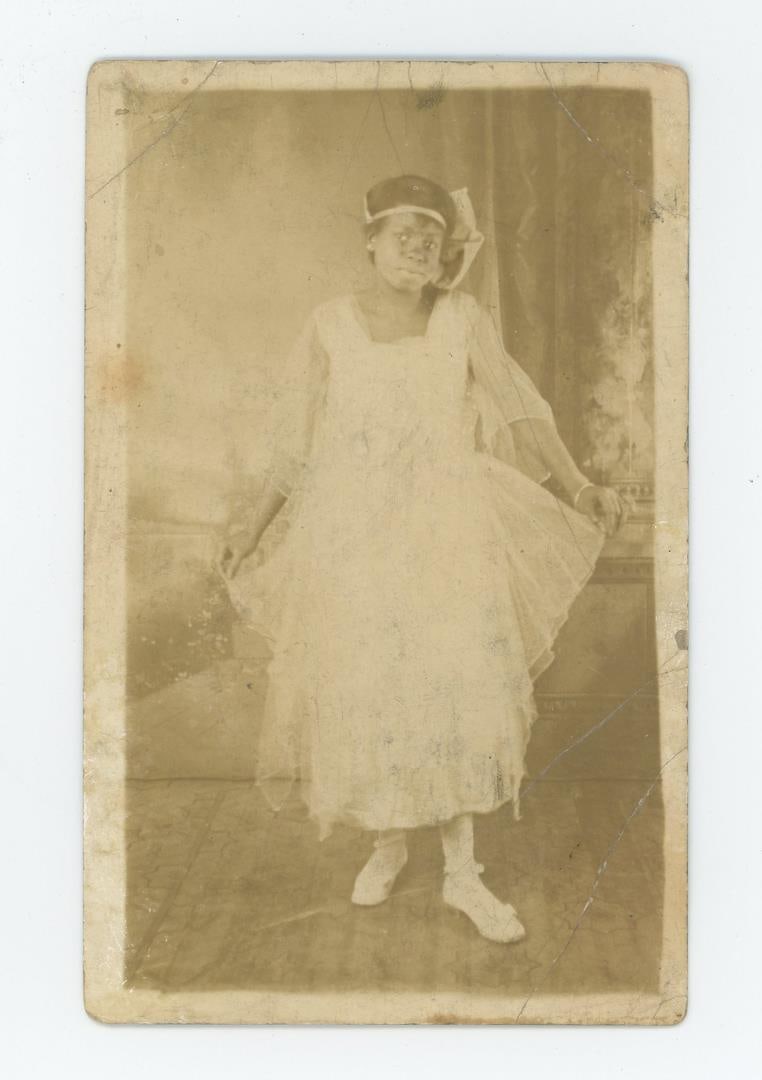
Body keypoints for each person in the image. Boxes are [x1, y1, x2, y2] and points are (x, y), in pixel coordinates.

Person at [217, 175, 624, 944]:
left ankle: (463, 873)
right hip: (355, 533)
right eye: (402, 233)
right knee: (369, 681)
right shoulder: (330, 324)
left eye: (431, 238)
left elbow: (520, 409)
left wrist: (577, 485)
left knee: (453, 683)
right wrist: (252, 524)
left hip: (447, 527)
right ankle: (386, 841)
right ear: (368, 242)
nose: (417, 248)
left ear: (448, 253)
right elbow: (293, 443)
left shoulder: (463, 319)